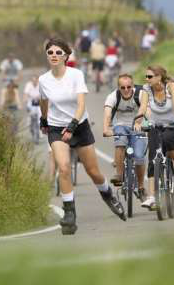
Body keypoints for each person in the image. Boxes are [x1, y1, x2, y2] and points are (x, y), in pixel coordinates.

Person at [38, 37, 126, 234]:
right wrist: (43, 120)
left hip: (79, 126)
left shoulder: (76, 75)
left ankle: (108, 195)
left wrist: (72, 126)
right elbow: (43, 101)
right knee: (64, 167)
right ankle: (70, 213)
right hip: (55, 128)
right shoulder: (43, 80)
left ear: (66, 56)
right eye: (50, 52)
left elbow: (81, 105)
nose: (53, 56)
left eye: (58, 53)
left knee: (93, 171)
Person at [133, 65, 174, 209]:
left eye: (149, 76)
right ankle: (151, 197)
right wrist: (138, 121)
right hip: (155, 125)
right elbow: (143, 108)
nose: (146, 79)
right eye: (146, 76)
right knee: (152, 159)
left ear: (159, 77)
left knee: (168, 139)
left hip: (173, 124)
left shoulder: (170, 87)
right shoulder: (146, 89)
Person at [102, 74, 147, 199]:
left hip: (139, 126)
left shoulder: (141, 94)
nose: (126, 90)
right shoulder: (113, 96)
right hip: (120, 125)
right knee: (120, 142)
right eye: (123, 87)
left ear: (132, 86)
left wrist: (141, 123)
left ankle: (141, 187)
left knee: (139, 156)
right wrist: (106, 129)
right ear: (118, 88)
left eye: (128, 87)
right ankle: (119, 175)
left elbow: (144, 109)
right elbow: (107, 114)